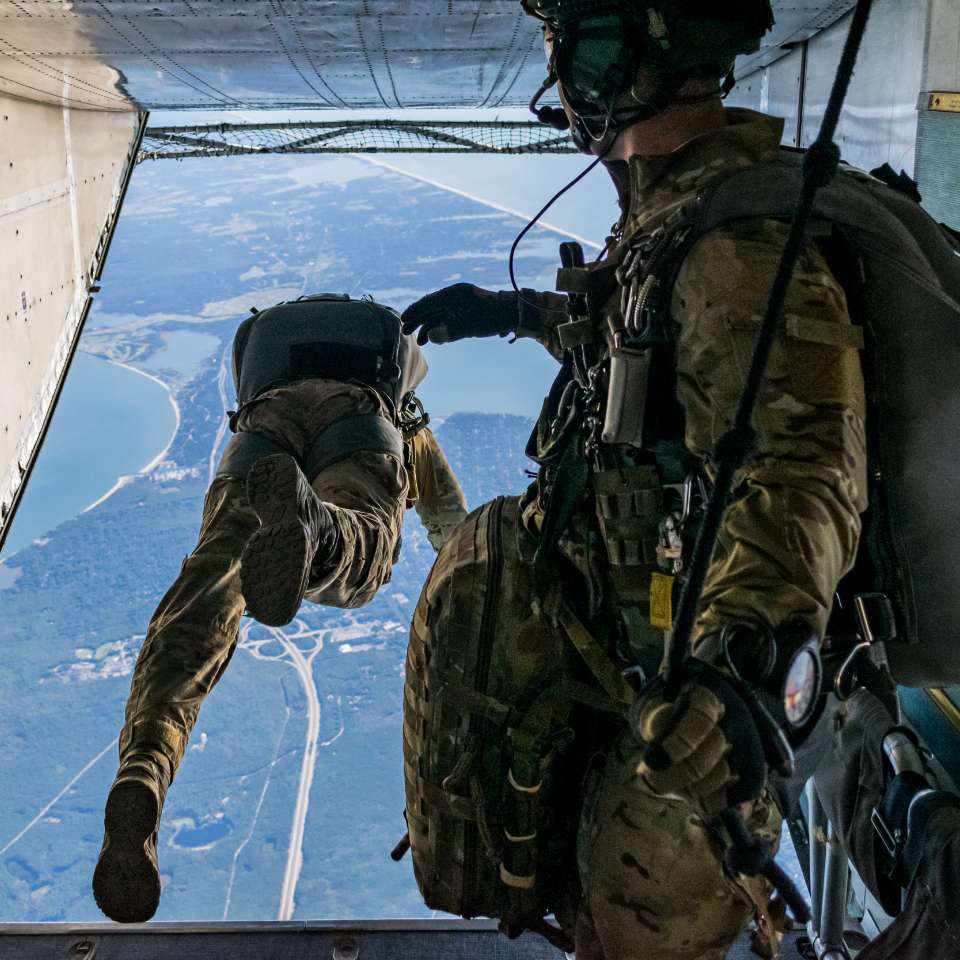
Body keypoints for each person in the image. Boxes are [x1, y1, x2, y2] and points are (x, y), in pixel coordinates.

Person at [401, 3, 868, 957]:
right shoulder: (678, 212)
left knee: (636, 937)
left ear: (629, 63)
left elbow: (807, 466)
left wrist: (734, 669)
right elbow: (637, 351)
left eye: (581, 42)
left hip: (683, 692)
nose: (564, 72)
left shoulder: (737, 245)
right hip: (621, 646)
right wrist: (513, 313)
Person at [92, 293, 467, 924]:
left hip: (261, 430)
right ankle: (321, 534)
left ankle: (146, 768)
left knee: (204, 598)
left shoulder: (269, 378)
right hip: (361, 424)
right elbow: (453, 531)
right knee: (364, 543)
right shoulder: (402, 413)